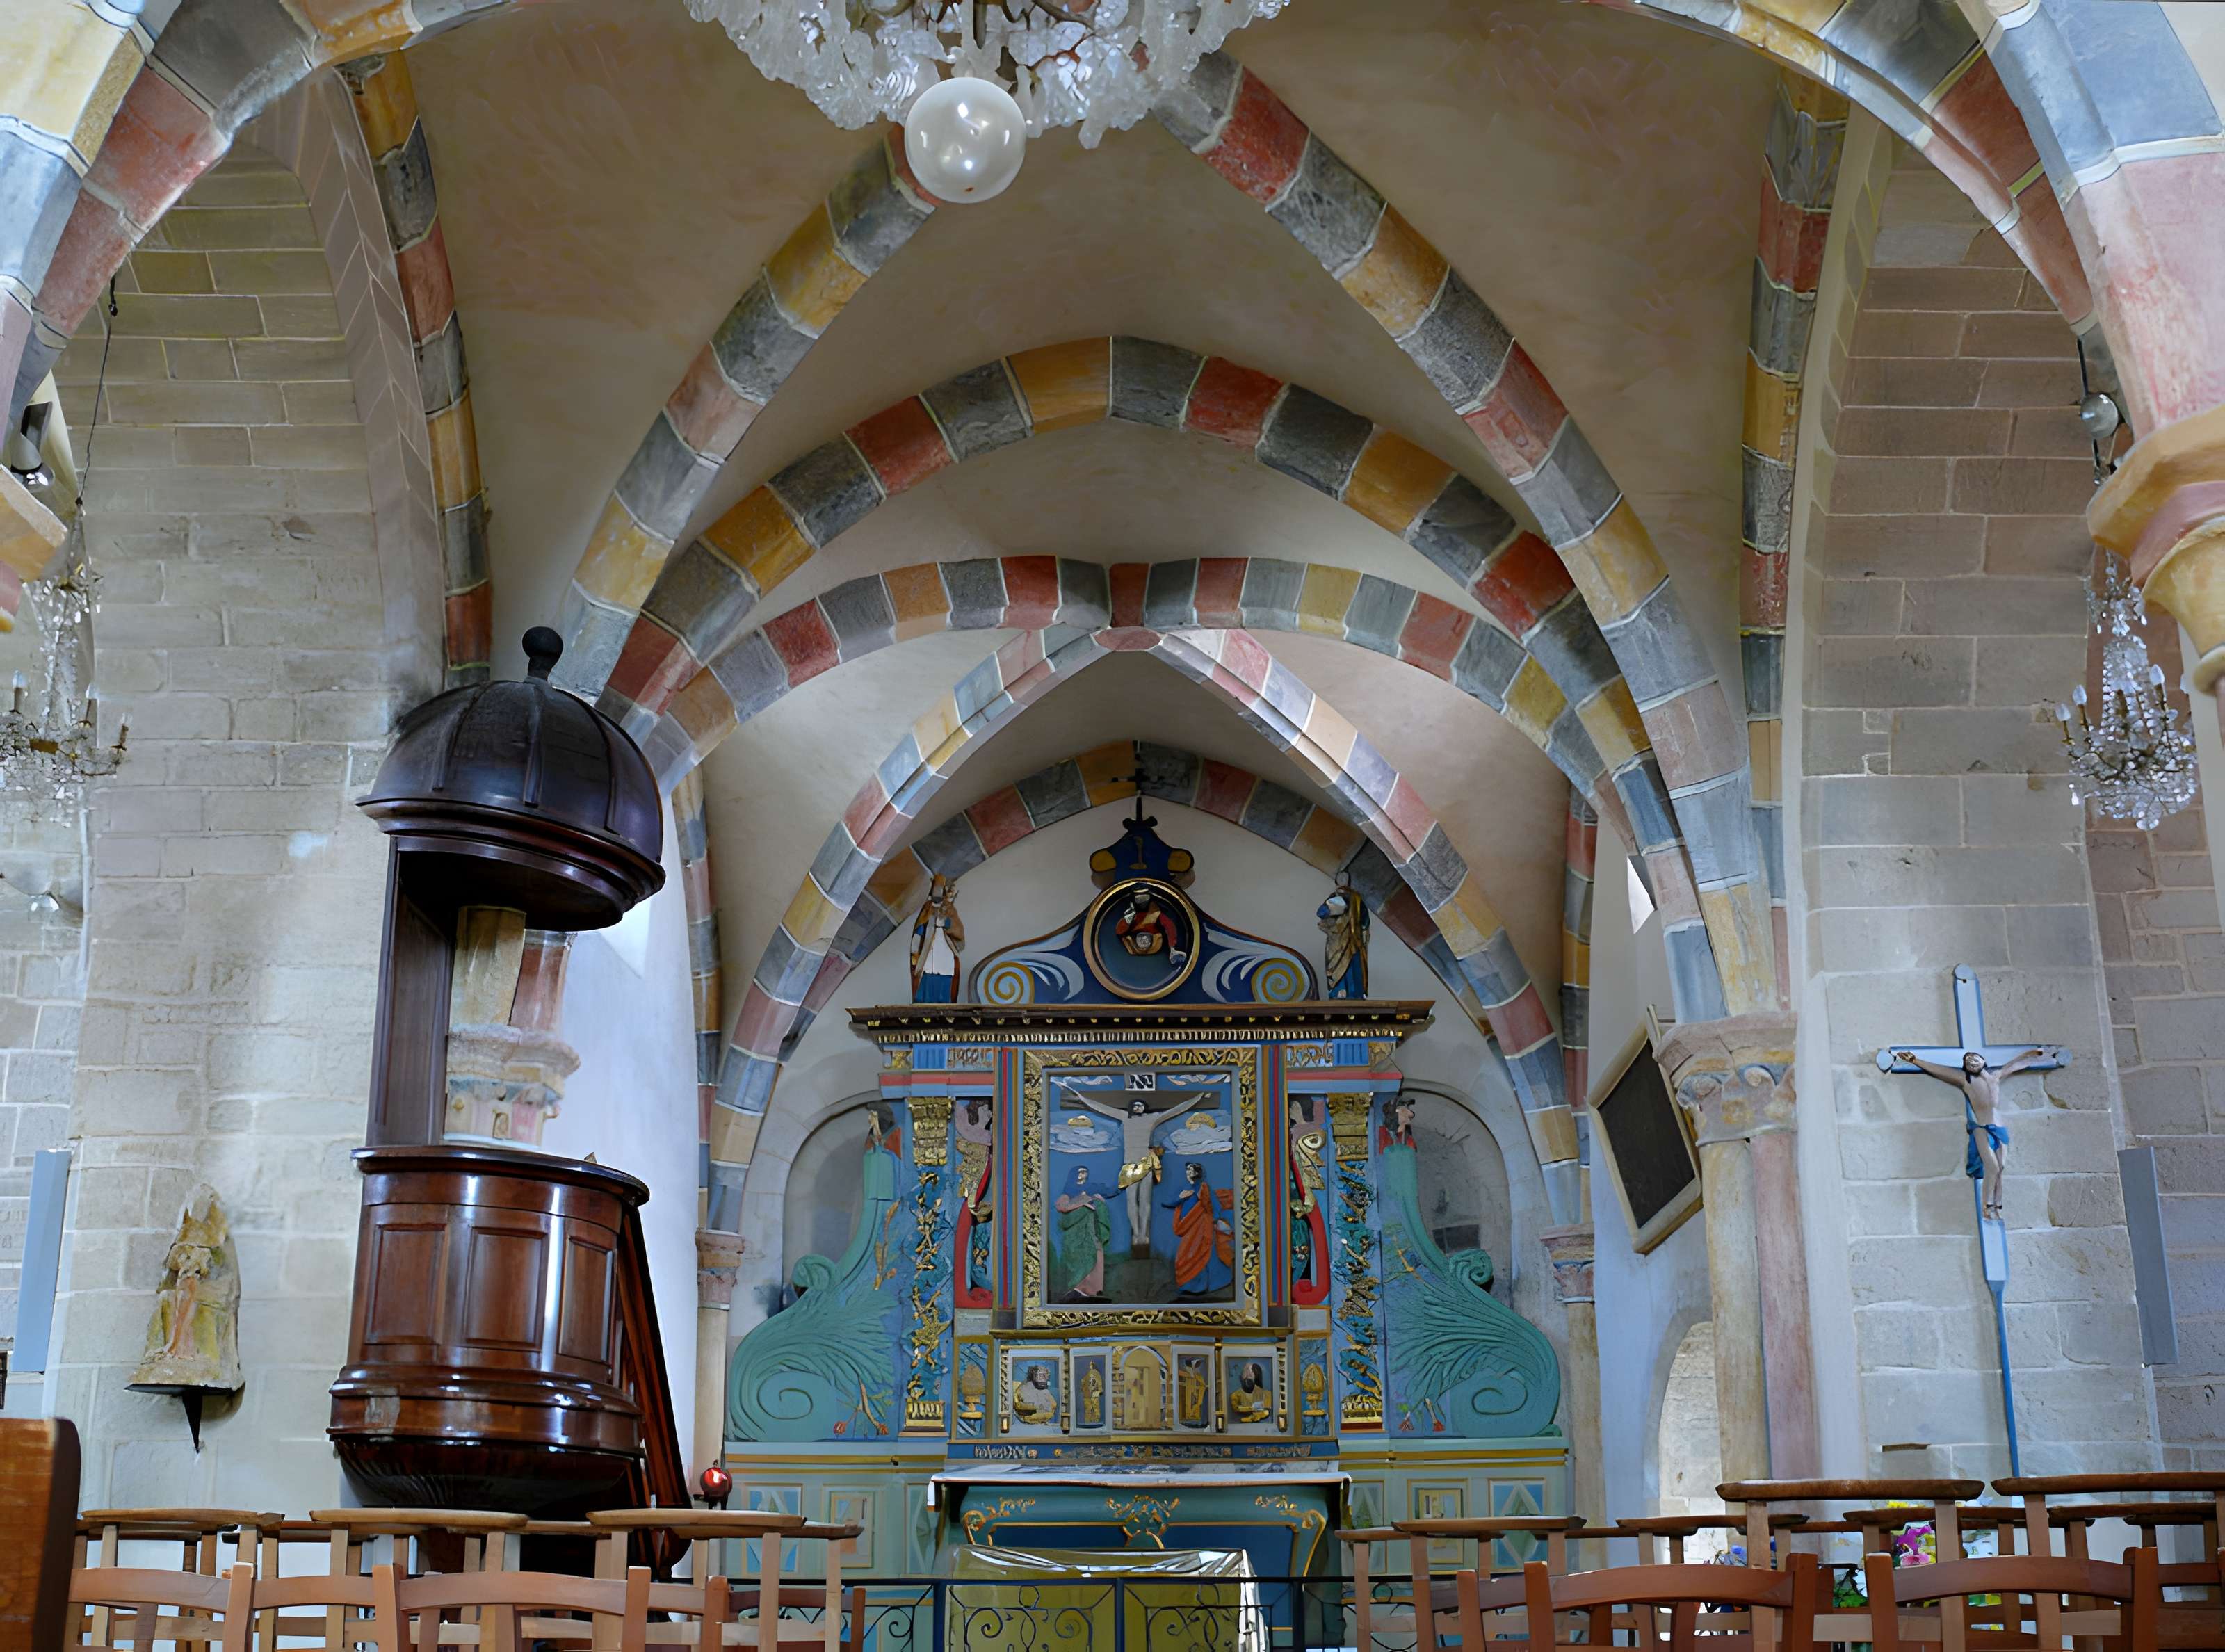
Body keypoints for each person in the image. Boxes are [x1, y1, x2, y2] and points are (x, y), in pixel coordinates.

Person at [1893, 1047, 2045, 1221]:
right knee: (1992, 1167)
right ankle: (1987, 1206)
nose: (1972, 1061)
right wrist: (1915, 1061)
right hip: (1981, 1128)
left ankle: (1997, 1205)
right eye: (1968, 1061)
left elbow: (2015, 1065)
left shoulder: (1996, 1076)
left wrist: (2033, 1054)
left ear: (1983, 1061)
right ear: (1966, 1067)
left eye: (1975, 1058)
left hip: (2000, 1129)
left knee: (2001, 1168)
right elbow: (1941, 1071)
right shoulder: (1966, 1081)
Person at [1162, 1160, 1235, 1297]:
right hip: (1189, 1227)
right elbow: (1167, 1202)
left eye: (1191, 1170)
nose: (1188, 1172)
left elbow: (1214, 1205)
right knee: (1188, 1254)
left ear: (1197, 1173)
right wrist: (1181, 1197)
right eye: (1187, 1170)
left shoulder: (1203, 1188)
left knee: (1202, 1253)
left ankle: (1204, 1286)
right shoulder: (1186, 1188)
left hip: (1203, 1227)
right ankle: (1191, 1286)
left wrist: (1215, 1219)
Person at [1051, 1165, 1110, 1301]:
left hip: (1092, 1234)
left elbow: (1099, 1203)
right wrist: (1082, 1203)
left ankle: (1093, 1290)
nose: (1083, 1175)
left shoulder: (1090, 1193)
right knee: (1080, 1262)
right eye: (1080, 1172)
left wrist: (1096, 1201)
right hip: (1076, 1236)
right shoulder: (1068, 1193)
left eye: (1085, 1172)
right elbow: (1062, 1207)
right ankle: (1078, 1289)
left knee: (1097, 1258)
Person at [909, 874, 964, 1003]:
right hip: (930, 944)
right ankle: (925, 1000)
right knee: (927, 971)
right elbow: (920, 927)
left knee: (946, 971)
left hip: (945, 944)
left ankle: (944, 999)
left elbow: (958, 930)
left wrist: (947, 924)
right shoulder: (928, 908)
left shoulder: (950, 910)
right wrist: (915, 948)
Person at [1317, 882, 1369, 998]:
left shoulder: (1355, 901)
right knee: (1341, 966)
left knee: (1351, 968)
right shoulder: (1350, 900)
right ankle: (1345, 993)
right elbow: (1322, 912)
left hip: (1350, 943)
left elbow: (1322, 912)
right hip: (1342, 943)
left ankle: (1347, 993)